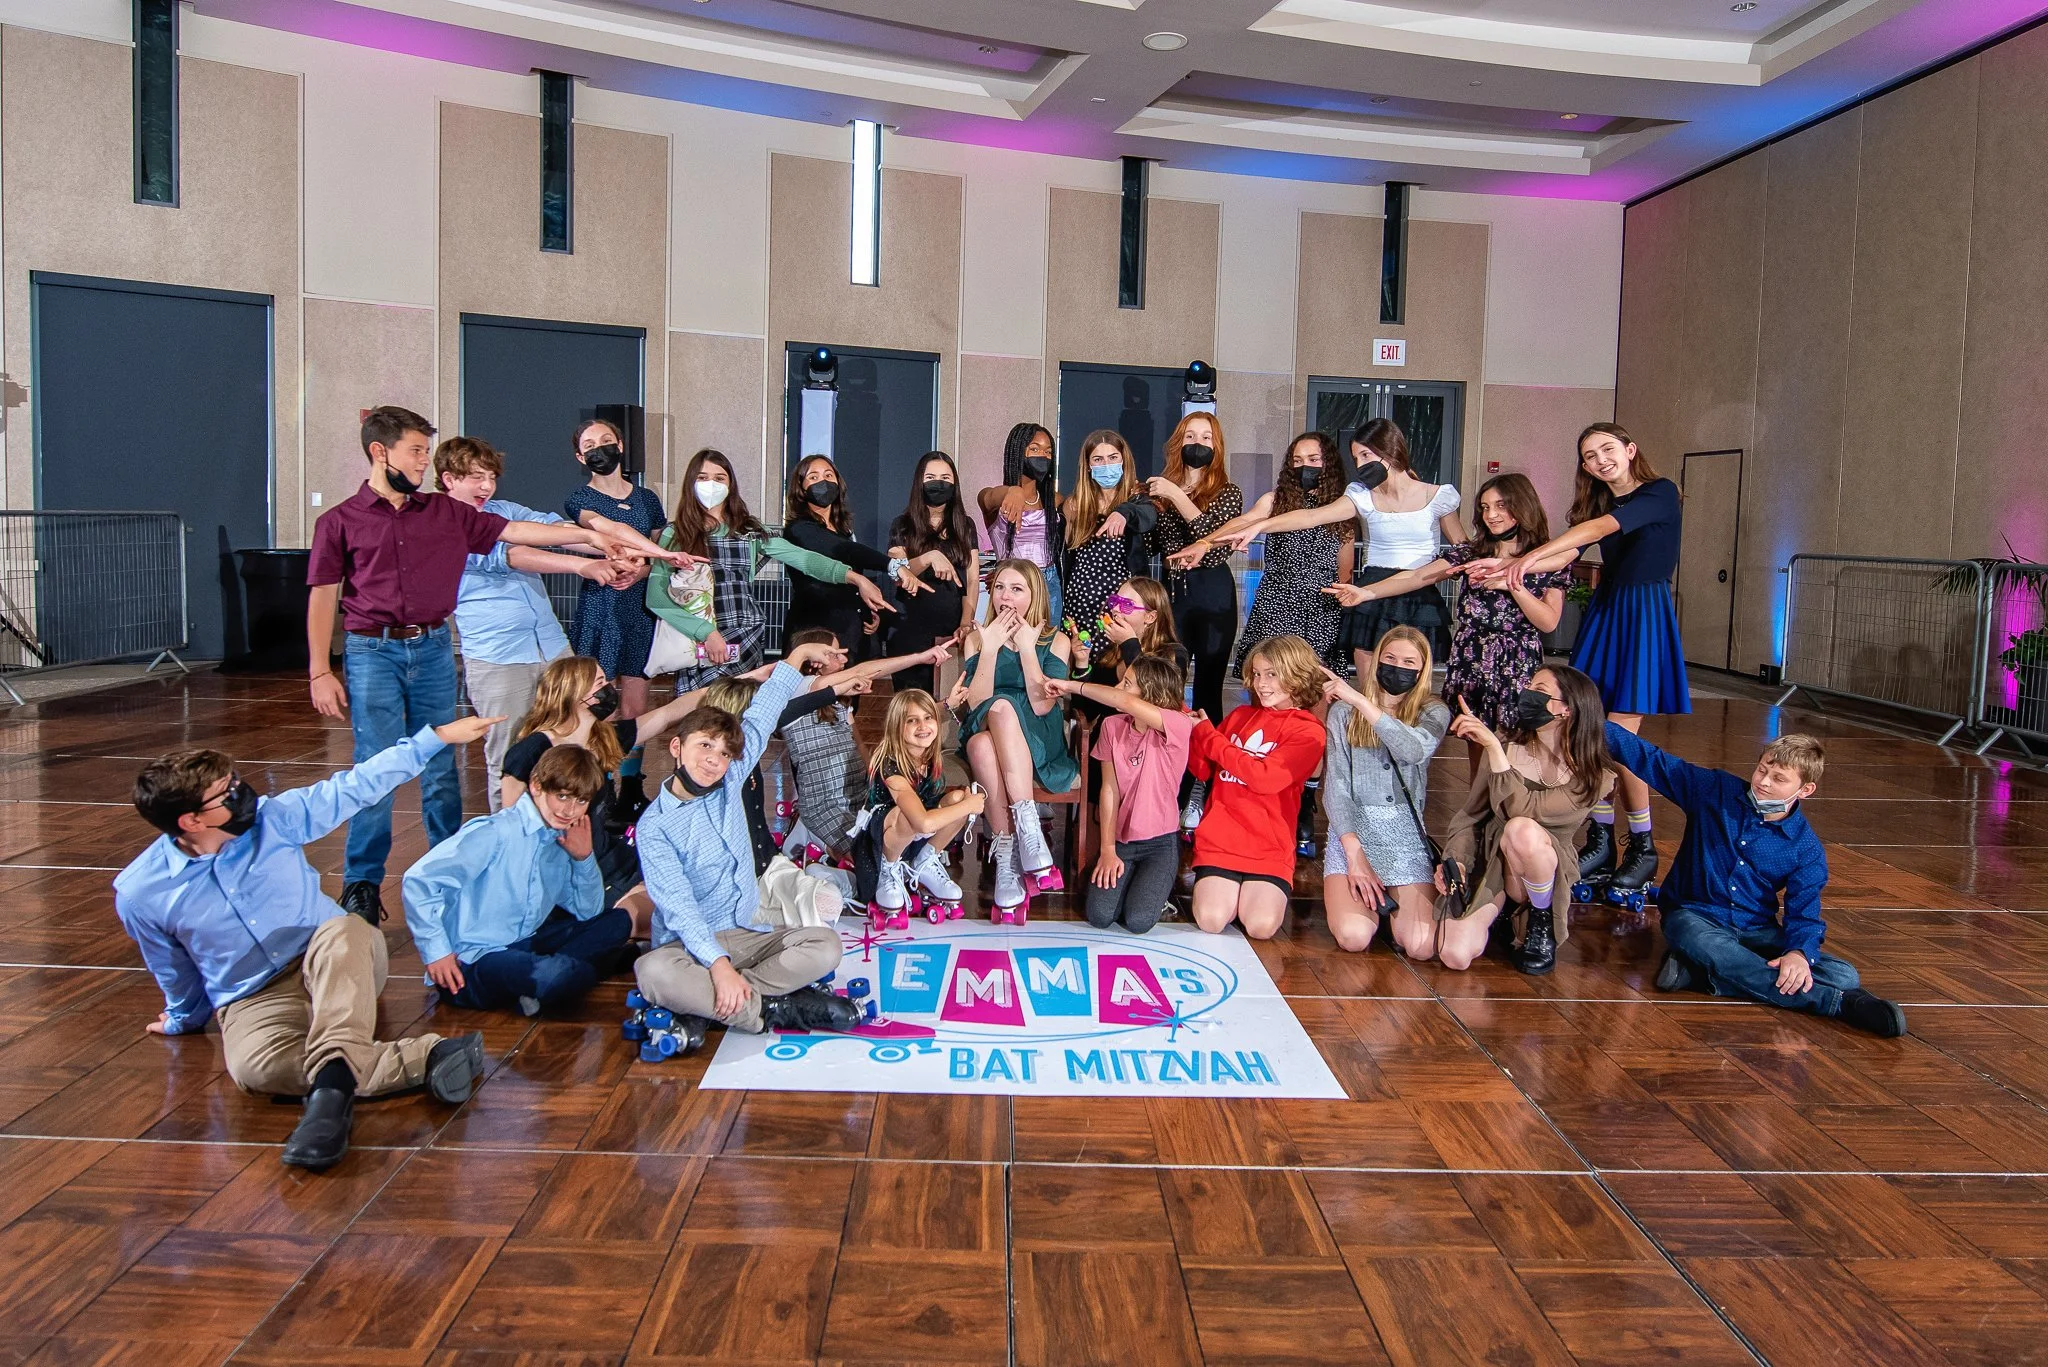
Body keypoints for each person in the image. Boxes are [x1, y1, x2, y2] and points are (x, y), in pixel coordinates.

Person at [307, 405, 684, 927]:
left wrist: (609, 542)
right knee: (385, 765)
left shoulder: (451, 513)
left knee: (453, 764)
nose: (422, 461)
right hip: (397, 651)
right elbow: (511, 555)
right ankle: (367, 883)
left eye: (489, 476)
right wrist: (319, 669)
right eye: (416, 452)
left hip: (458, 645)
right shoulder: (358, 519)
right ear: (381, 452)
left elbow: (537, 530)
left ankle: (467, 865)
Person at [115, 713, 499, 1172]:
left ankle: (329, 1104)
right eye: (226, 792)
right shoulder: (140, 892)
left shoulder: (274, 819)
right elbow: (173, 968)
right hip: (254, 995)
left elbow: (356, 786)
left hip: (337, 956)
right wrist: (183, 1018)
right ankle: (427, 1057)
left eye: (235, 780)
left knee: (345, 930)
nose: (242, 792)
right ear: (191, 820)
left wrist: (435, 738)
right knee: (254, 1070)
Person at [1484, 423, 1690, 895]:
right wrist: (1509, 567)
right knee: (1586, 729)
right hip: (1607, 611)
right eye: (1589, 456)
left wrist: (1523, 560)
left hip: (1643, 614)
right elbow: (1565, 555)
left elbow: (1598, 531)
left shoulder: (1659, 492)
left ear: (1630, 450)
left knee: (1619, 739)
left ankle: (1642, 843)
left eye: (1607, 449)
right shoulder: (1597, 503)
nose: (1599, 460)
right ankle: (1600, 836)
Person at [632, 644, 865, 1046]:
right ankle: (771, 1009)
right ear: (677, 747)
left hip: (745, 932)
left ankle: (718, 1005)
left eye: (724, 753)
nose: (713, 760)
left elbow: (763, 713)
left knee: (825, 945)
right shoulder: (655, 827)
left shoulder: (730, 779)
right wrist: (718, 965)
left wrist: (796, 657)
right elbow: (681, 910)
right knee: (653, 973)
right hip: (688, 946)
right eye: (705, 746)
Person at [1609, 728, 1906, 1036]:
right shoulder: (1714, 790)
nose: (1763, 782)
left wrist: (1798, 954)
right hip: (1694, 916)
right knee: (1703, 941)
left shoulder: (1806, 848)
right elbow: (1650, 759)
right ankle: (1836, 1004)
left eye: (1779, 779)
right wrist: (1589, 716)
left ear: (1805, 789)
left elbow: (1804, 913)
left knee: (1844, 974)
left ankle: (1701, 973)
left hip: (1756, 929)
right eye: (1762, 770)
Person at [1326, 473, 1567, 775]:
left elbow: (1548, 622)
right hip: (1472, 657)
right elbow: (1418, 576)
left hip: (1516, 661)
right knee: (1476, 745)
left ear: (1523, 505)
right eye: (1485, 507)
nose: (1491, 515)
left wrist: (1511, 583)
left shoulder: (1548, 559)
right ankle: (1478, 803)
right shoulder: (1471, 552)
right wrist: (1367, 592)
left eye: (1501, 505)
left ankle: (1513, 801)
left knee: (1517, 746)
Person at [436, 435, 625, 809]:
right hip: (498, 657)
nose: (487, 486)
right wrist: (585, 565)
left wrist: (616, 548)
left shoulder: (504, 509)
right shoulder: (442, 524)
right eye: (476, 477)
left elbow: (558, 531)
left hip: (552, 646)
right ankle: (510, 833)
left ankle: (576, 823)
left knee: (577, 738)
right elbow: (513, 554)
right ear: (449, 479)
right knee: (510, 757)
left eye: (491, 477)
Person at [1216, 419, 1464, 681]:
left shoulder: (1439, 496)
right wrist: (1260, 526)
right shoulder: (1361, 495)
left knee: (1411, 681)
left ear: (1390, 449)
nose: (1360, 465)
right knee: (1368, 685)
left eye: (1366, 455)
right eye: (1356, 458)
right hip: (1372, 590)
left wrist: (1461, 567)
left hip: (1419, 593)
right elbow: (1312, 516)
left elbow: (1463, 548)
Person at [500, 655, 734, 928]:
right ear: (574, 692)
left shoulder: (602, 738)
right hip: (566, 866)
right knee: (667, 919)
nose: (609, 689)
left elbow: (667, 714)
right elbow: (510, 824)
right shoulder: (531, 750)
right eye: (600, 683)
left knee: (696, 899)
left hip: (607, 857)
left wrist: (744, 680)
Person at [401, 744, 632, 1017]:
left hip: (525, 942)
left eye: (581, 802)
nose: (570, 810)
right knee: (558, 973)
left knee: (619, 921)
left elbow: (587, 911)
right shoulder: (495, 833)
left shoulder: (562, 838)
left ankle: (542, 986)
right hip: (475, 958)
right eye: (562, 796)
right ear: (536, 786)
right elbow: (418, 881)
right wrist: (437, 953)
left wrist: (583, 858)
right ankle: (566, 976)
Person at [645, 449, 879, 688]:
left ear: (730, 484)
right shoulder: (675, 534)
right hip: (700, 640)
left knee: (744, 707)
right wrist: (706, 632)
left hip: (745, 639)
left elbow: (805, 559)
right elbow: (657, 598)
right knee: (700, 708)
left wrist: (854, 578)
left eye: (719, 478)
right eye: (702, 478)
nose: (711, 485)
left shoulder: (749, 531)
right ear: (690, 483)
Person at [1438, 666, 1612, 976]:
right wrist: (1458, 861)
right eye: (1529, 686)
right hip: (1493, 860)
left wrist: (1492, 748)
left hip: (1543, 865)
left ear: (1567, 709)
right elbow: (1470, 816)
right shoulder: (1507, 745)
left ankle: (1540, 918)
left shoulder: (1593, 777)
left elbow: (1523, 810)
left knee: (1522, 830)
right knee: (1454, 955)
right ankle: (1500, 913)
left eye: (1539, 690)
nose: (1527, 694)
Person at [953, 559, 1076, 919]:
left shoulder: (1057, 640)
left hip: (1037, 733)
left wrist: (1026, 648)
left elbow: (1041, 705)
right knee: (990, 722)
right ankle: (1018, 843)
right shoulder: (978, 638)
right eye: (1000, 588)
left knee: (996, 722)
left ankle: (1016, 838)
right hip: (986, 724)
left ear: (1034, 596)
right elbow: (977, 702)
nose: (1005, 597)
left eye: (1016, 589)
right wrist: (990, 649)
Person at [1173, 430, 1355, 672]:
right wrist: (1205, 543)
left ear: (1328, 463)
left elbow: (1345, 570)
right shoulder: (1274, 501)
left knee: (1315, 680)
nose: (1304, 466)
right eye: (1297, 460)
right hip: (1277, 601)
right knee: (1268, 673)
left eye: (1313, 459)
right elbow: (1243, 522)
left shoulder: (1341, 509)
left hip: (1320, 607)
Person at [1186, 635, 1327, 941]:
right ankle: (1230, 893)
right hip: (1221, 840)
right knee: (1210, 919)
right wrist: (1194, 733)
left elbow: (1265, 779)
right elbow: (1203, 769)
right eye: (1258, 674)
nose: (1262, 683)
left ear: (1297, 673)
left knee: (1260, 926)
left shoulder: (1309, 731)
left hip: (1269, 846)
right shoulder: (1240, 716)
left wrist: (1210, 738)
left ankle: (1249, 895)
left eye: (1272, 674)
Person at [1319, 627, 1450, 957]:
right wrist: (1354, 855)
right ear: (1377, 660)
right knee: (1353, 937)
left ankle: (1393, 915)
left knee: (1421, 947)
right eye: (1390, 658)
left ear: (1422, 670)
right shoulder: (1343, 713)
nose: (1397, 667)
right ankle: (1370, 910)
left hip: (1404, 837)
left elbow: (1413, 750)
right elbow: (1336, 788)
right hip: (1354, 833)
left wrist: (1361, 701)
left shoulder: (1433, 711)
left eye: (1408, 662)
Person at [1042, 655, 1195, 934]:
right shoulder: (1112, 726)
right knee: (1099, 915)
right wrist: (1108, 850)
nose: (1117, 688)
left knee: (1138, 921)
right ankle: (1135, 882)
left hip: (1160, 843)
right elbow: (1109, 789)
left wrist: (1070, 685)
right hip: (1122, 841)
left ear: (1151, 692)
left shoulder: (1177, 724)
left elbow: (1124, 701)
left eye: (1127, 683)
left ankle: (1154, 889)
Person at [564, 417, 668, 818]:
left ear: (620, 446)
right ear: (580, 457)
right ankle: (601, 784)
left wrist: (641, 571)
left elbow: (658, 552)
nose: (599, 449)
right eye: (590, 445)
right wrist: (617, 564)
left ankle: (631, 786)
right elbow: (602, 532)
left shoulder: (647, 499)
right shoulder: (580, 498)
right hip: (600, 607)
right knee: (599, 703)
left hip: (639, 607)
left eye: (606, 441)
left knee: (635, 705)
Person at [1144, 412, 1243, 724]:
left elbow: (1212, 542)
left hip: (1214, 593)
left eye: (1205, 437)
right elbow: (1150, 546)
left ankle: (1208, 752)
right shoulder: (1161, 492)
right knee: (1168, 681)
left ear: (1216, 446)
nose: (1197, 443)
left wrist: (1175, 495)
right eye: (1190, 436)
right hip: (1173, 594)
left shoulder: (1228, 493)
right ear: (1178, 443)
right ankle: (1172, 748)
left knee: (1208, 688)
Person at [860, 689, 984, 924]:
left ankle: (925, 861)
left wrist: (964, 804)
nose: (923, 726)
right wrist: (970, 806)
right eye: (912, 720)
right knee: (909, 816)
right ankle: (888, 870)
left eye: (928, 718)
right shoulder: (890, 765)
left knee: (957, 799)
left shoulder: (927, 757)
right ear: (897, 727)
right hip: (879, 844)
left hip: (914, 840)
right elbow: (922, 823)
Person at [782, 453, 927, 649]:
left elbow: (853, 577)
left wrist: (868, 612)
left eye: (828, 475)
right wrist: (893, 566)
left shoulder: (844, 531)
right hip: (814, 635)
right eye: (813, 477)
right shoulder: (799, 530)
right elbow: (843, 550)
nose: (823, 482)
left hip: (852, 634)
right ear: (800, 488)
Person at [887, 450, 981, 698]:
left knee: (948, 703)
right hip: (910, 631)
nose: (938, 483)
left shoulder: (965, 525)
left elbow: (972, 580)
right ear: (919, 481)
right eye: (930, 477)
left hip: (950, 633)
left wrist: (966, 623)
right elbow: (898, 572)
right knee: (912, 704)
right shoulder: (902, 525)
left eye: (945, 478)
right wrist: (929, 557)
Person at [1060, 429, 1159, 640]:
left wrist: (1124, 512)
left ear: (1123, 461)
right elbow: (1065, 554)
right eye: (1098, 459)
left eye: (1113, 457)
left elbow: (1149, 517)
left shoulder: (1137, 499)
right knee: (1080, 656)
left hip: (1122, 606)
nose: (1106, 465)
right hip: (1080, 602)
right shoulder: (1074, 505)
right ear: (1088, 465)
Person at [980, 422, 1064, 628]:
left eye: (1048, 452)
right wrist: (1013, 491)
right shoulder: (994, 498)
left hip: (1049, 585)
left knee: (1047, 644)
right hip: (1012, 585)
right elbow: (988, 496)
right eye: (1034, 449)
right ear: (1017, 451)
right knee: (1009, 644)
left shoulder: (1055, 500)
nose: (1043, 456)